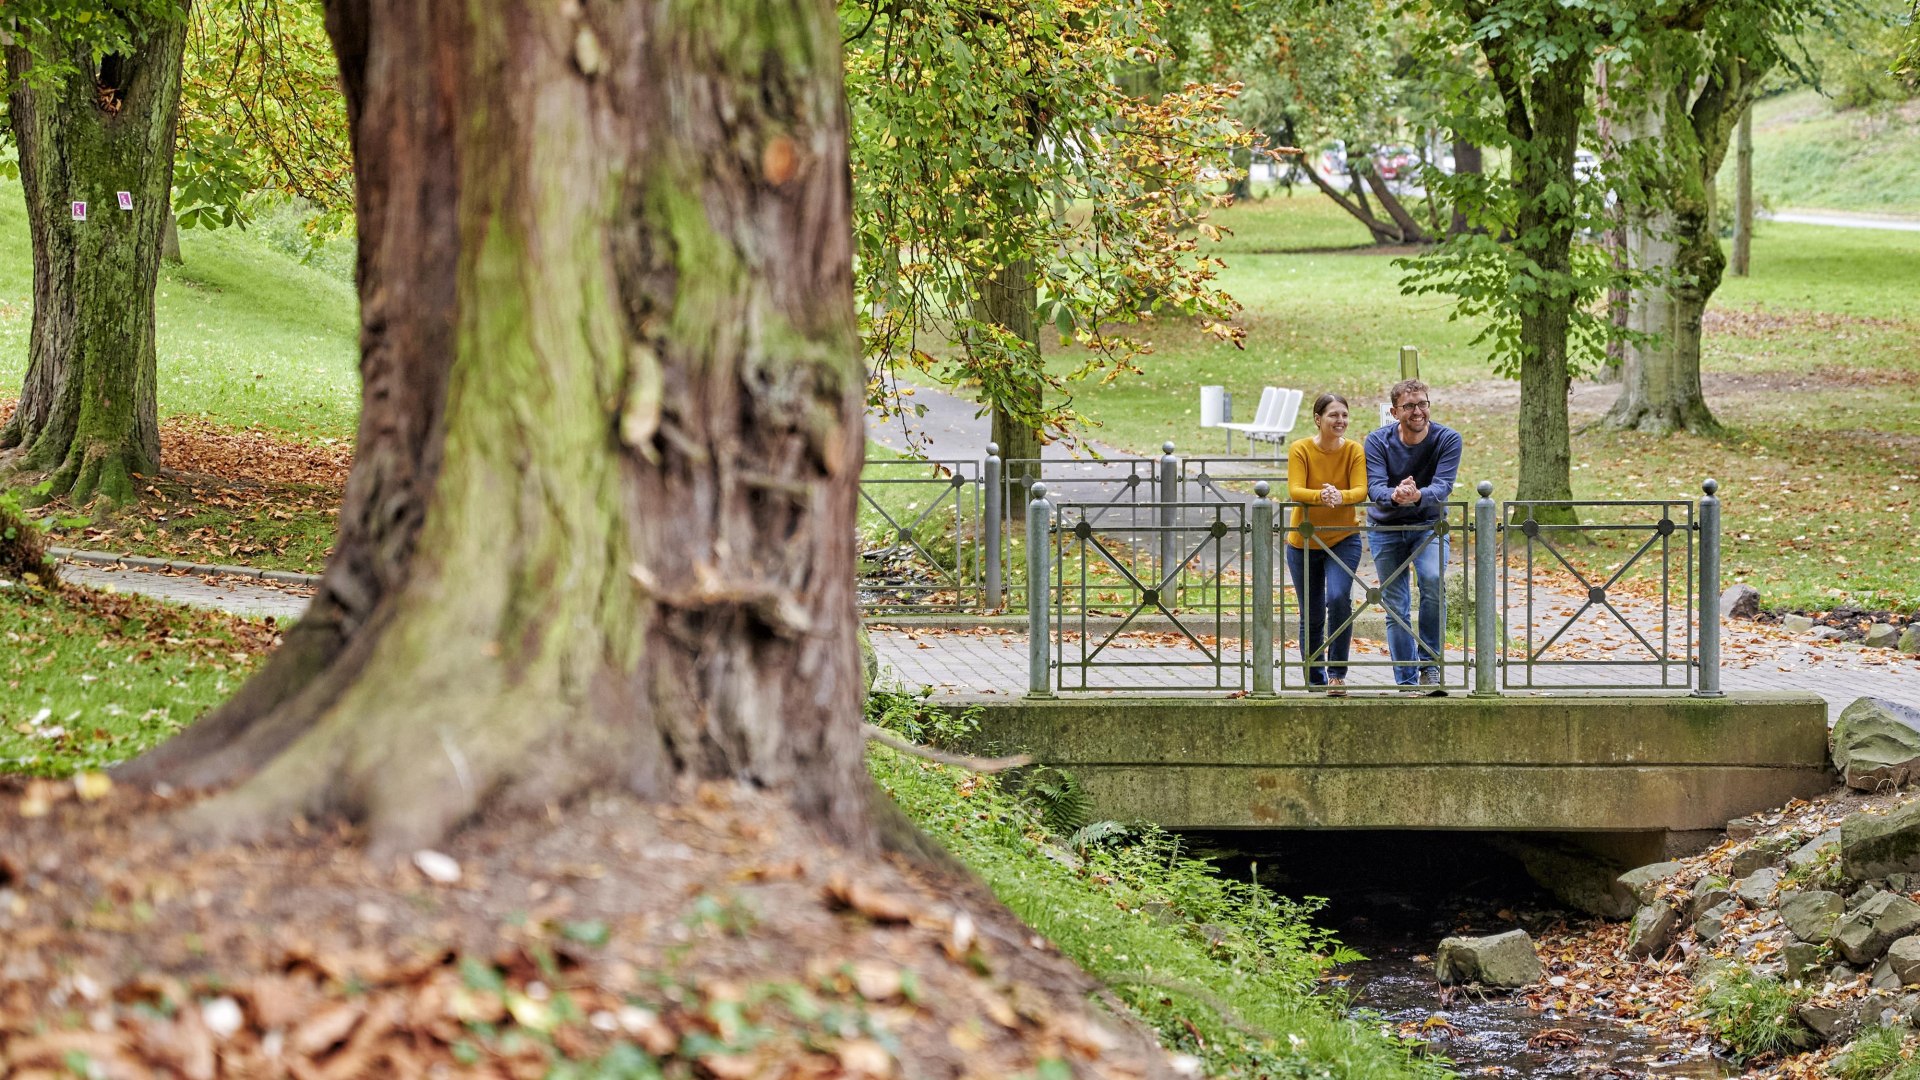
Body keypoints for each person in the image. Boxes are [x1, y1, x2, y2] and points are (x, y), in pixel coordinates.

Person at [1364, 378, 1462, 694]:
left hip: (1429, 527)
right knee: (1396, 603)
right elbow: (1375, 487)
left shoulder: (1448, 439)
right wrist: (1397, 495)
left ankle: (1430, 668)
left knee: (1433, 582)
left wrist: (1417, 495)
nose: (1417, 411)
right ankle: (1406, 679)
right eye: (1409, 406)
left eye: (1422, 404)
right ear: (1395, 412)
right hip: (1386, 528)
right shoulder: (1377, 442)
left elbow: (1443, 485)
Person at [1285, 393, 1368, 695]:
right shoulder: (1301, 449)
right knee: (1313, 612)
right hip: (1303, 541)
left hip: (1343, 538)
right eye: (1334, 415)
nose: (1340, 421)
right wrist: (1321, 495)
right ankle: (1314, 676)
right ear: (1318, 419)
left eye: (1344, 415)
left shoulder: (1354, 451)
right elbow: (1295, 489)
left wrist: (1340, 496)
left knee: (1338, 598)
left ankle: (1337, 674)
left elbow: (1360, 490)